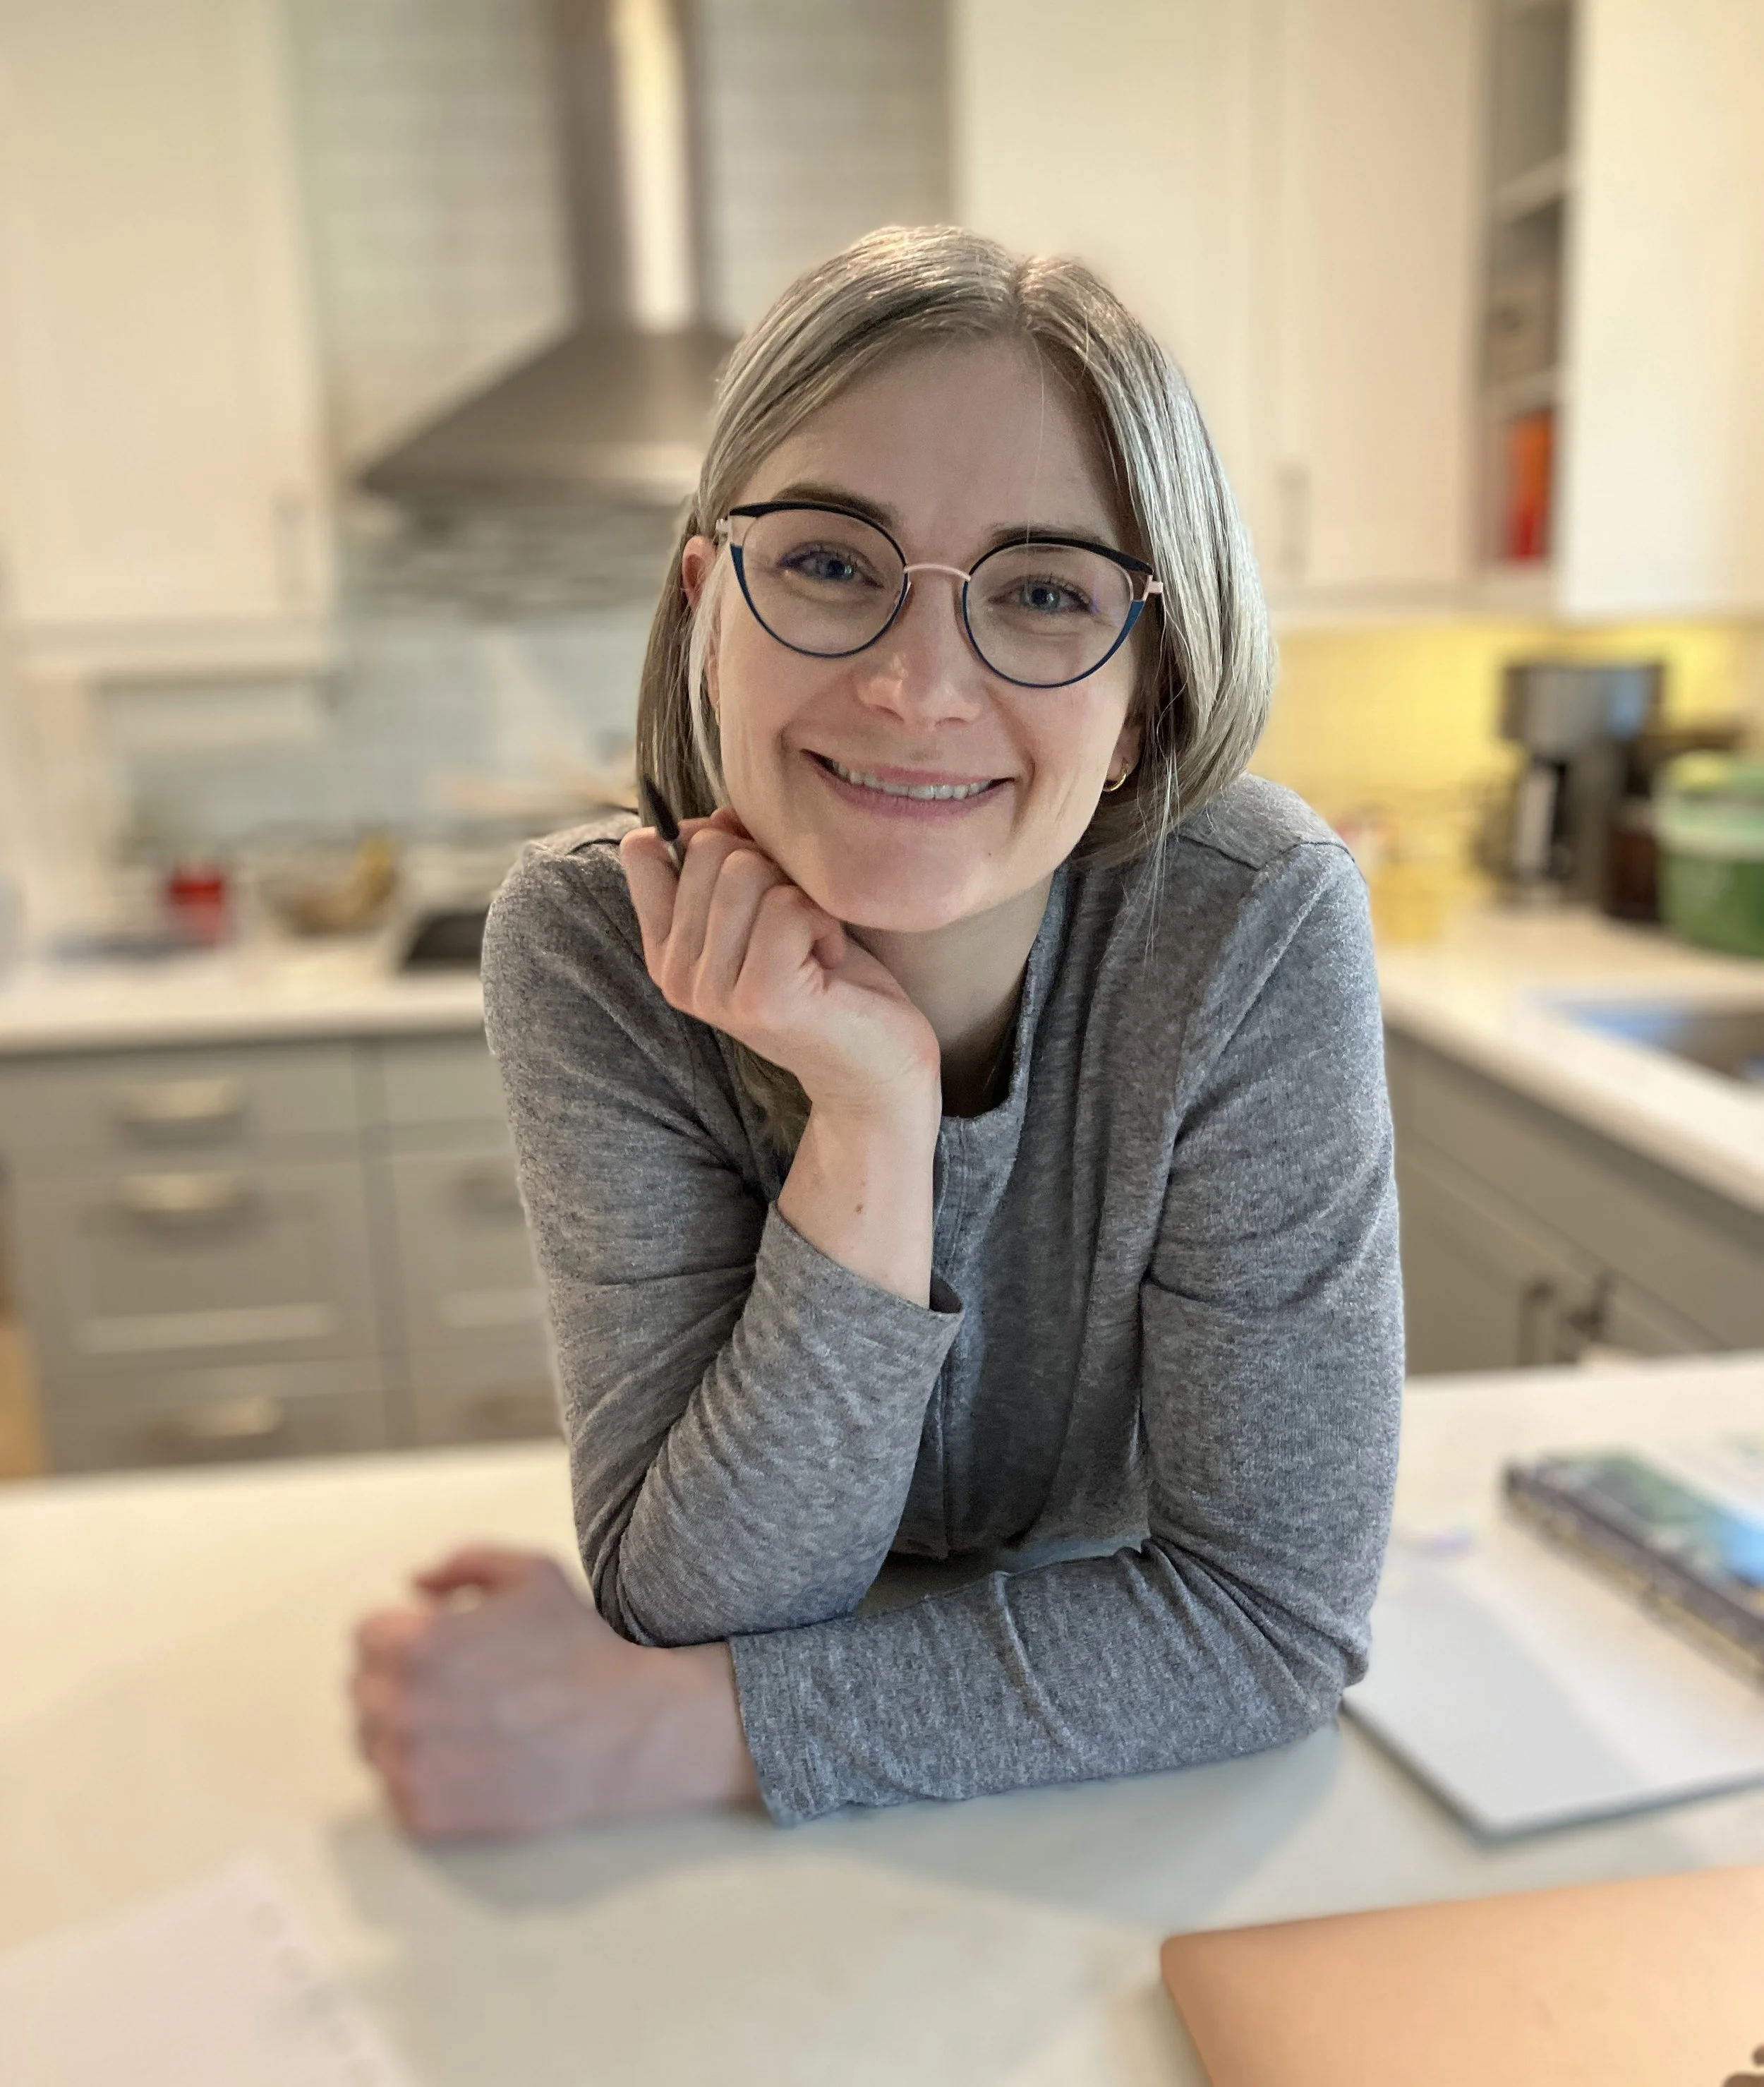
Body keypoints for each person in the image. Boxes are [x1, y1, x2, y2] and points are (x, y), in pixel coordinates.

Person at [350, 224, 1403, 1839]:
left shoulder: (1250, 924)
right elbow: (694, 1598)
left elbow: (1264, 1622)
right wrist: (868, 1114)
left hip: (1127, 1823)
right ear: (711, 604)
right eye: (832, 563)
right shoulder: (585, 943)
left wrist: (655, 1738)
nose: (919, 687)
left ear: (1144, 709)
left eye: (1044, 592)